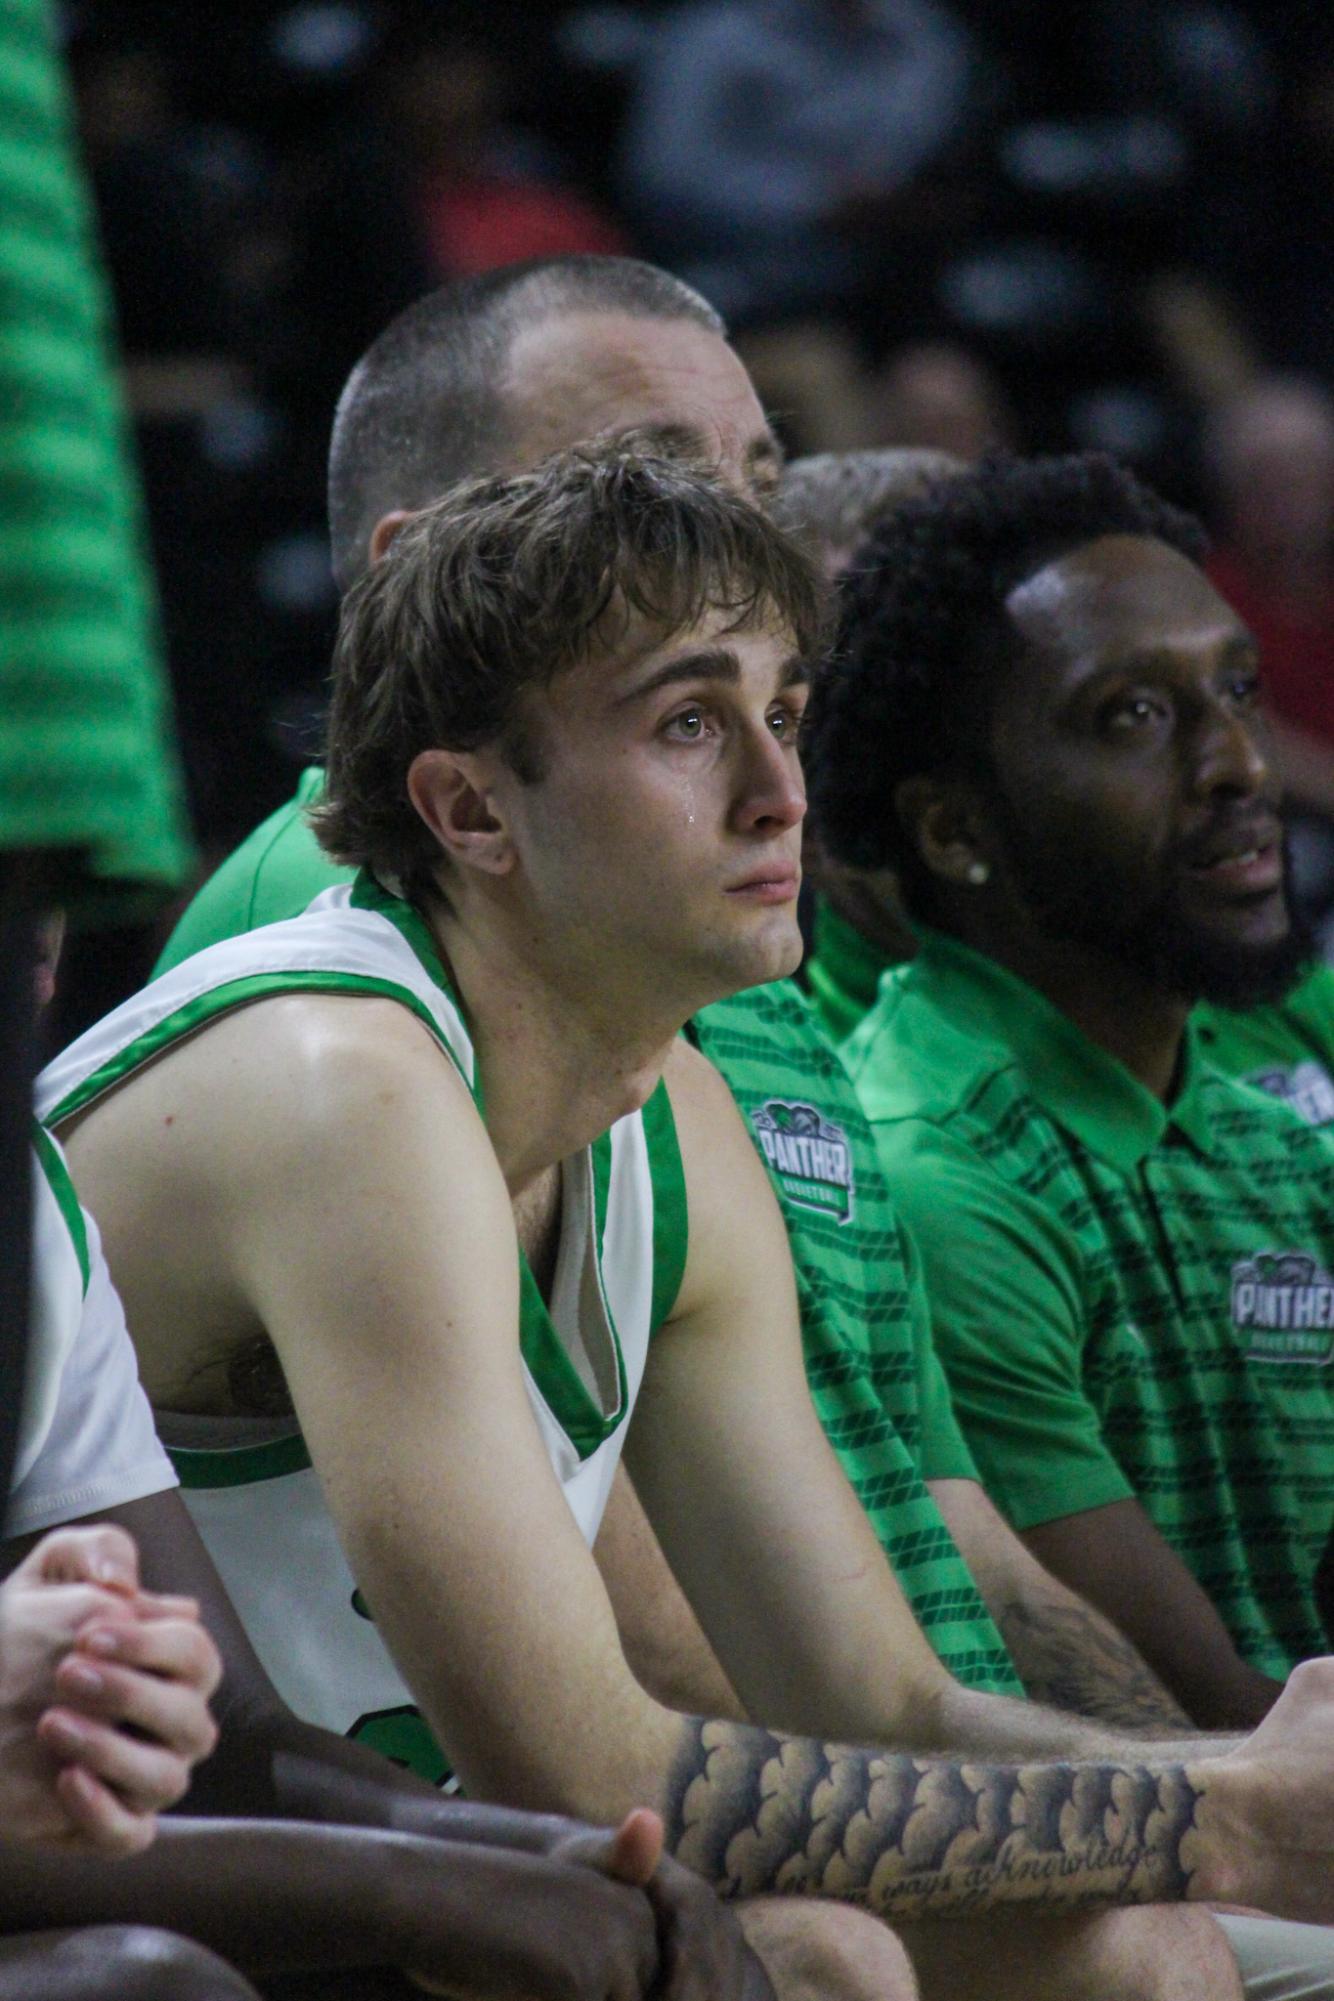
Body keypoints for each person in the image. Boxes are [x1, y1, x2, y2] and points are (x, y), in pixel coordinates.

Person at [38, 432, 1334, 2001]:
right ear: (467, 809)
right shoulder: (345, 1079)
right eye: (687, 722)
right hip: (123, 1847)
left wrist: (1242, 1785)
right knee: (821, 1956)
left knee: (1125, 1947)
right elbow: (580, 1763)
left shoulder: (674, 1118)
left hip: (347, 1837)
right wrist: (1223, 1814)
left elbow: (876, 1698)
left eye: (784, 713)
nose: (780, 789)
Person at [803, 449, 1334, 1738]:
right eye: (1133, 718)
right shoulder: (936, 1170)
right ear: (951, 832)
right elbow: (1203, 1724)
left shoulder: (1261, 1130)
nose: (1240, 768)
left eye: (1237, 693)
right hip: (1175, 1855)